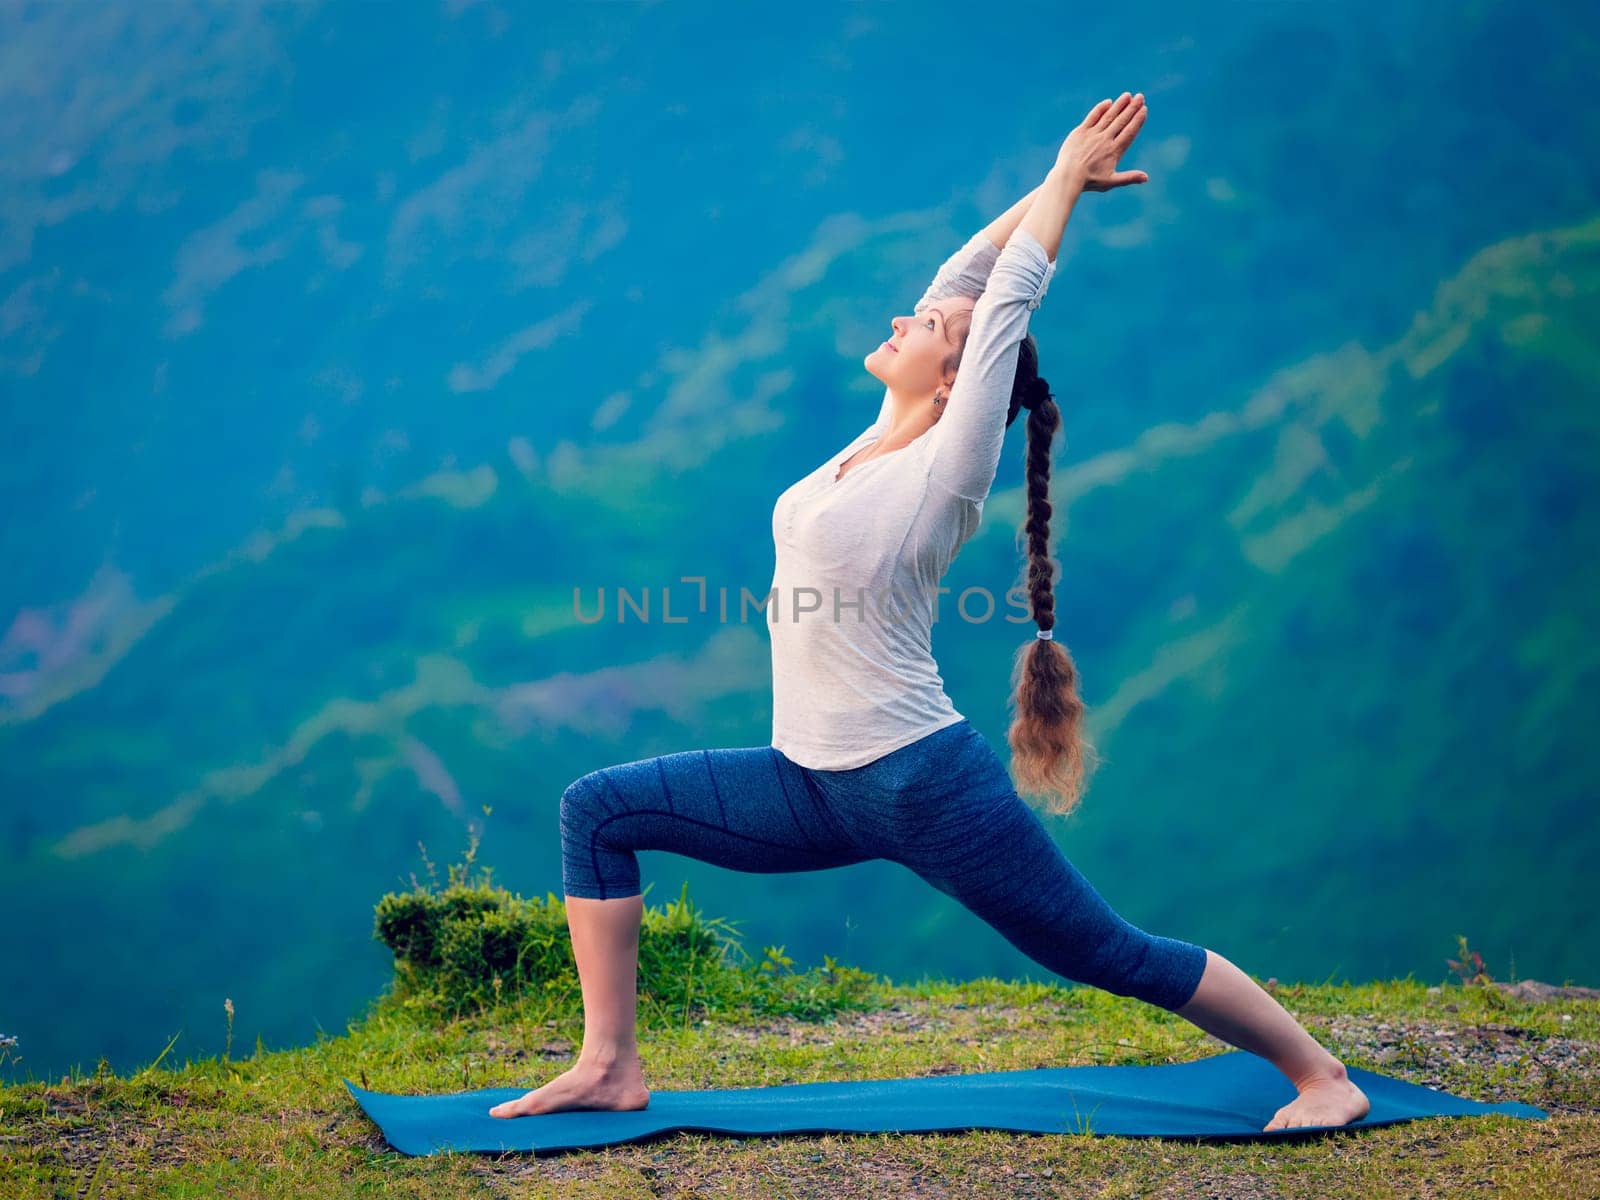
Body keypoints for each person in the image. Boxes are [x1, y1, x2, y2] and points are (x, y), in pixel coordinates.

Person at [491, 92, 1370, 1133]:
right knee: (598, 809)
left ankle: (1323, 1077)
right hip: (807, 782)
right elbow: (967, 277)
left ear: (959, 377)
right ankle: (608, 1065)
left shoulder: (945, 469)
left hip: (918, 785)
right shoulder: (876, 435)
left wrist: (1059, 184)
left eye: (928, 329)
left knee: (1106, 952)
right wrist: (1051, 191)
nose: (906, 316)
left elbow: (999, 304)